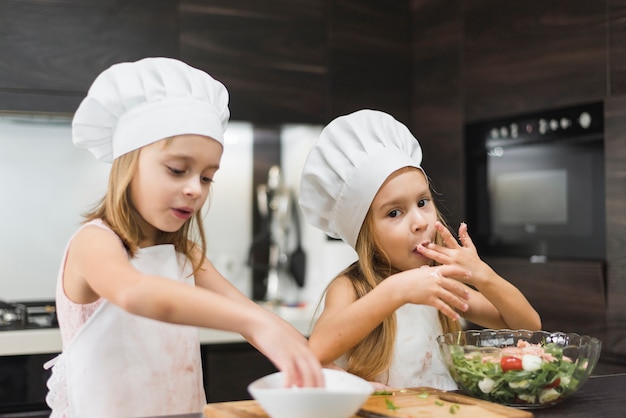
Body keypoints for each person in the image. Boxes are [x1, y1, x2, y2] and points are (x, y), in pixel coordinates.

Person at [44, 57, 323, 418]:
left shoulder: (185, 255)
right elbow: (136, 293)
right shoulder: (95, 242)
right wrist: (252, 322)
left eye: (207, 177)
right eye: (178, 170)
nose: (195, 189)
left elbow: (249, 313)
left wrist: (318, 369)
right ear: (128, 165)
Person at [298, 109, 541, 390]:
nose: (419, 222)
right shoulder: (352, 287)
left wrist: (482, 275)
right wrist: (395, 291)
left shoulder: (440, 284)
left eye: (423, 202)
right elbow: (317, 350)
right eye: (394, 212)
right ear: (364, 234)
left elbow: (528, 326)